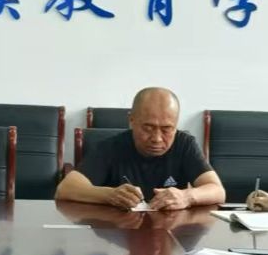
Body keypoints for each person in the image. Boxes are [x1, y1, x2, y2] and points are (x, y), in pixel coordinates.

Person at [56, 87, 226, 210]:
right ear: (132, 120)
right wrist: (109, 195)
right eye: (148, 128)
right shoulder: (110, 147)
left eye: (167, 129)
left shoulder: (184, 144)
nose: (157, 138)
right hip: (120, 232)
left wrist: (187, 197)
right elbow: (66, 189)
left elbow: (217, 191)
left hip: (168, 233)